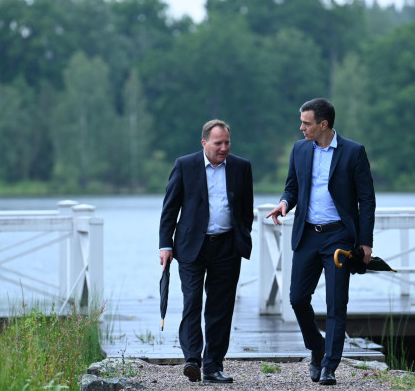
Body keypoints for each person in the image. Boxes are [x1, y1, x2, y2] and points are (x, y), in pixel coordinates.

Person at [266, 98, 376, 386]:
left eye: (306, 123)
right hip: (306, 234)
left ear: (323, 124)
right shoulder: (300, 149)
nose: (301, 127)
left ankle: (329, 365)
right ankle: (317, 348)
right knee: (297, 298)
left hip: (339, 236)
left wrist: (365, 242)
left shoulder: (353, 152)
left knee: (336, 304)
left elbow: (367, 200)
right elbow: (292, 186)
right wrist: (284, 203)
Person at [159, 119, 254, 384]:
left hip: (227, 246)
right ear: (204, 143)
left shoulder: (241, 167)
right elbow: (170, 209)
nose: (224, 147)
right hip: (191, 247)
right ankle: (192, 360)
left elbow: (247, 209)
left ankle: (212, 367)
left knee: (220, 308)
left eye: (227, 142)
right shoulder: (185, 165)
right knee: (192, 303)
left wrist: (241, 237)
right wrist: (165, 244)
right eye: (218, 143)